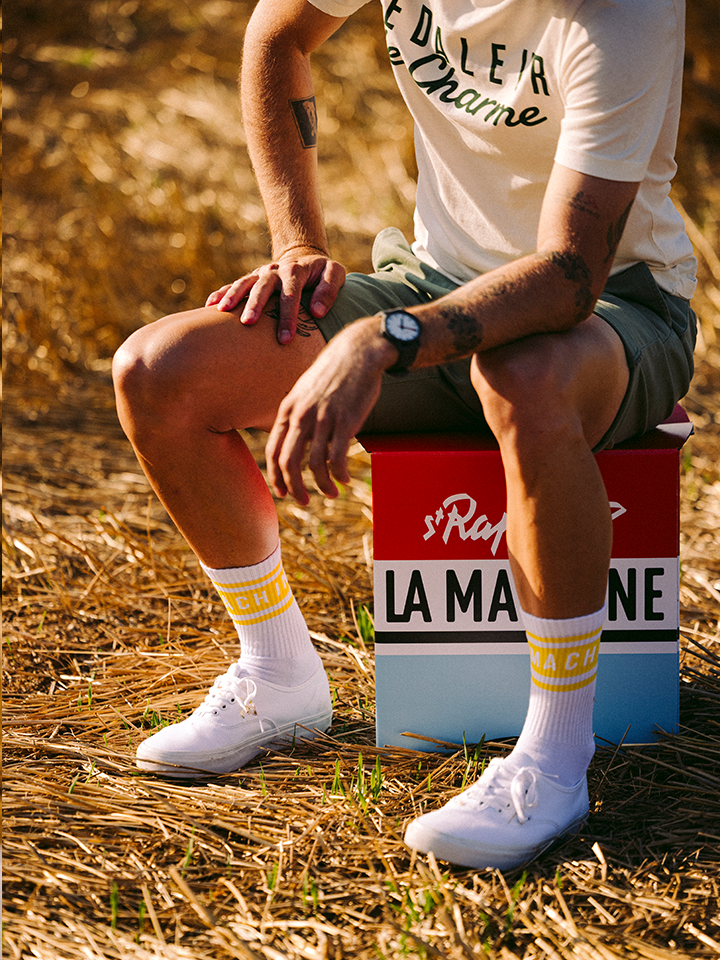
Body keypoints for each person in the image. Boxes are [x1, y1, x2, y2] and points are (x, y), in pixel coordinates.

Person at [112, 0, 696, 870]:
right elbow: (278, 32)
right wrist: (295, 243)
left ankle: (555, 760)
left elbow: (571, 276)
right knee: (158, 372)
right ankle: (278, 673)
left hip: (616, 311)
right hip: (432, 285)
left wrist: (385, 340)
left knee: (522, 373)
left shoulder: (623, 13)